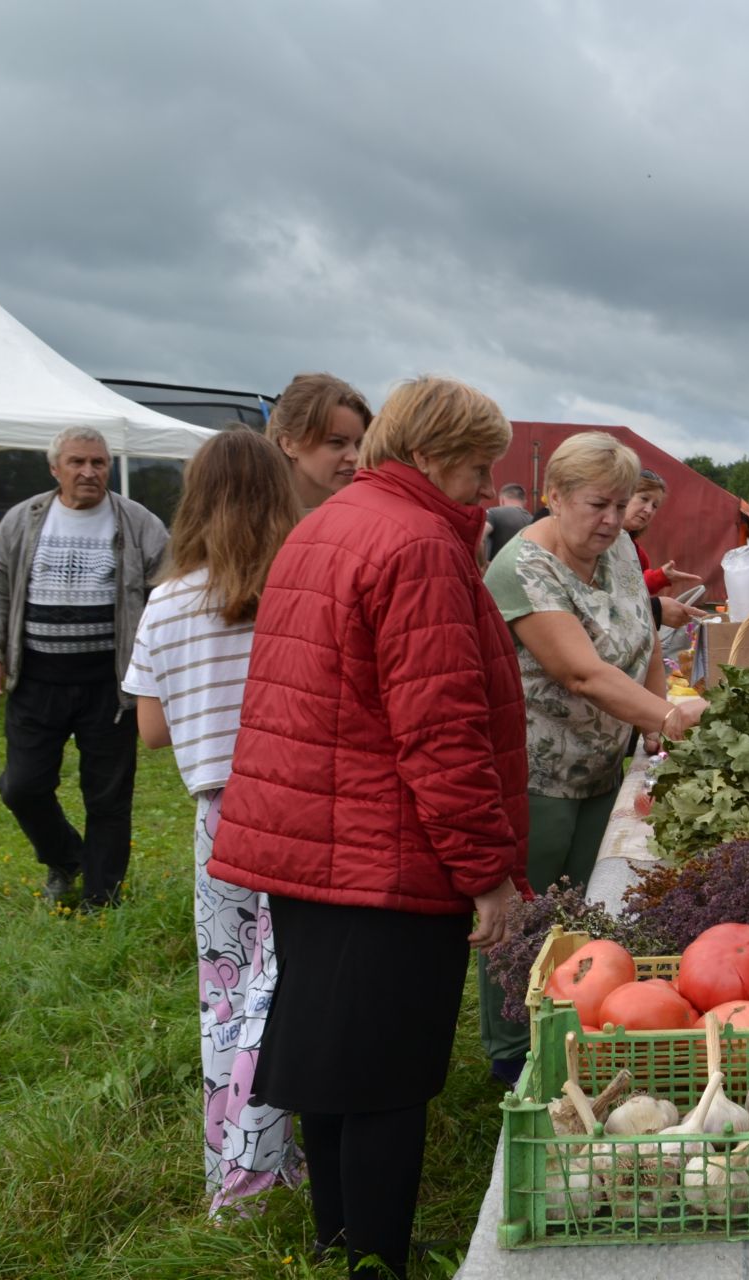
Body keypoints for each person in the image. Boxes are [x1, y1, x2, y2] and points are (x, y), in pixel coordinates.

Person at [208, 376, 528, 1278]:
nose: (483, 486)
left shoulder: (330, 521)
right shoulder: (418, 541)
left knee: (330, 1054)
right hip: (385, 847)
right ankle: (378, 1254)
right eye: (475, 466)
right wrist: (487, 872)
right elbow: (440, 730)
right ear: (428, 456)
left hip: (314, 836)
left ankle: (340, 1240)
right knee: (387, 1072)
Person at [479, 433, 711, 1082]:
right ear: (552, 497)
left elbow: (644, 636)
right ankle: (512, 1058)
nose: (610, 520)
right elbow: (579, 673)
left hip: (605, 769)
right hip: (537, 776)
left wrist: (655, 720)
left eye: (621, 505)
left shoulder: (621, 555)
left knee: (584, 911)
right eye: (595, 504)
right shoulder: (522, 570)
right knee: (525, 924)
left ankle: (573, 1032)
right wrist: (665, 717)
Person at [120, 429, 304, 1215]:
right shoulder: (298, 592)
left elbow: (152, 732)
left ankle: (233, 1173)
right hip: (300, 808)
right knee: (293, 986)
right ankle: (286, 1153)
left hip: (220, 820)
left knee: (226, 996)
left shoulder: (164, 603)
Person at [0, 426, 170, 909]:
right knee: (22, 786)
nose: (89, 472)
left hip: (110, 685)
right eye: (78, 462)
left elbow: (168, 592)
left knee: (107, 797)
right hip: (37, 680)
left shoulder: (139, 522)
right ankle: (67, 858)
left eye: (98, 463)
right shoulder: (23, 520)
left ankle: (102, 899)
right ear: (55, 468)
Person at [266, 372, 372, 515]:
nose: (354, 456)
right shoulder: (253, 522)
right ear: (289, 444)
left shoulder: (366, 516)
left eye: (359, 444)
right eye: (336, 442)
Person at [621, 469, 707, 626]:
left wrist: (661, 578)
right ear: (624, 495)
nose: (648, 510)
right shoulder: (601, 541)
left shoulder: (639, 555)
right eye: (643, 498)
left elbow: (635, 595)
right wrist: (659, 579)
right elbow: (619, 593)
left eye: (654, 506)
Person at [485, 483, 534, 565]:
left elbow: (480, 538)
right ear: (525, 502)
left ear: (502, 500)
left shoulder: (494, 513)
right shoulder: (533, 520)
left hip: (495, 572)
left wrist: (482, 563)